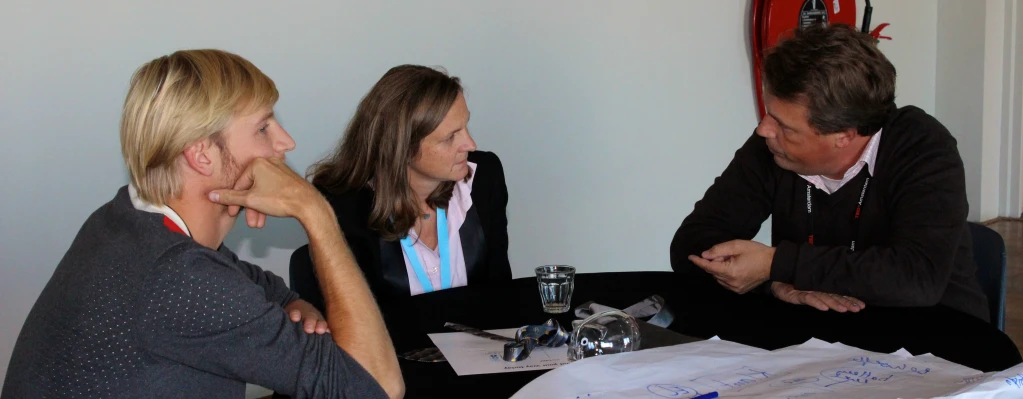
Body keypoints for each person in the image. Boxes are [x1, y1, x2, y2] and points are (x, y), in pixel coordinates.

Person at [2, 50, 404, 399]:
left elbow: (263, 287)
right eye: (264, 127)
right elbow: (378, 386)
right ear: (202, 156)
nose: (285, 142)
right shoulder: (175, 277)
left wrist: (292, 305)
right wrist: (318, 216)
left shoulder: (127, 220)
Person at [669, 23, 989, 322]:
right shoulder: (772, 146)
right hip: (818, 341)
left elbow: (916, 278)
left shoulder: (922, 147)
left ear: (844, 136)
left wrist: (776, 264)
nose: (764, 129)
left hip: (937, 337)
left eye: (784, 125)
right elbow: (692, 242)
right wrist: (771, 283)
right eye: (770, 114)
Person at [303, 64, 511, 308]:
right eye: (450, 137)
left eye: (465, 126)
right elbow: (351, 316)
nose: (471, 144)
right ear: (401, 147)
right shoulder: (344, 206)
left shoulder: (484, 177)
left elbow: (500, 294)